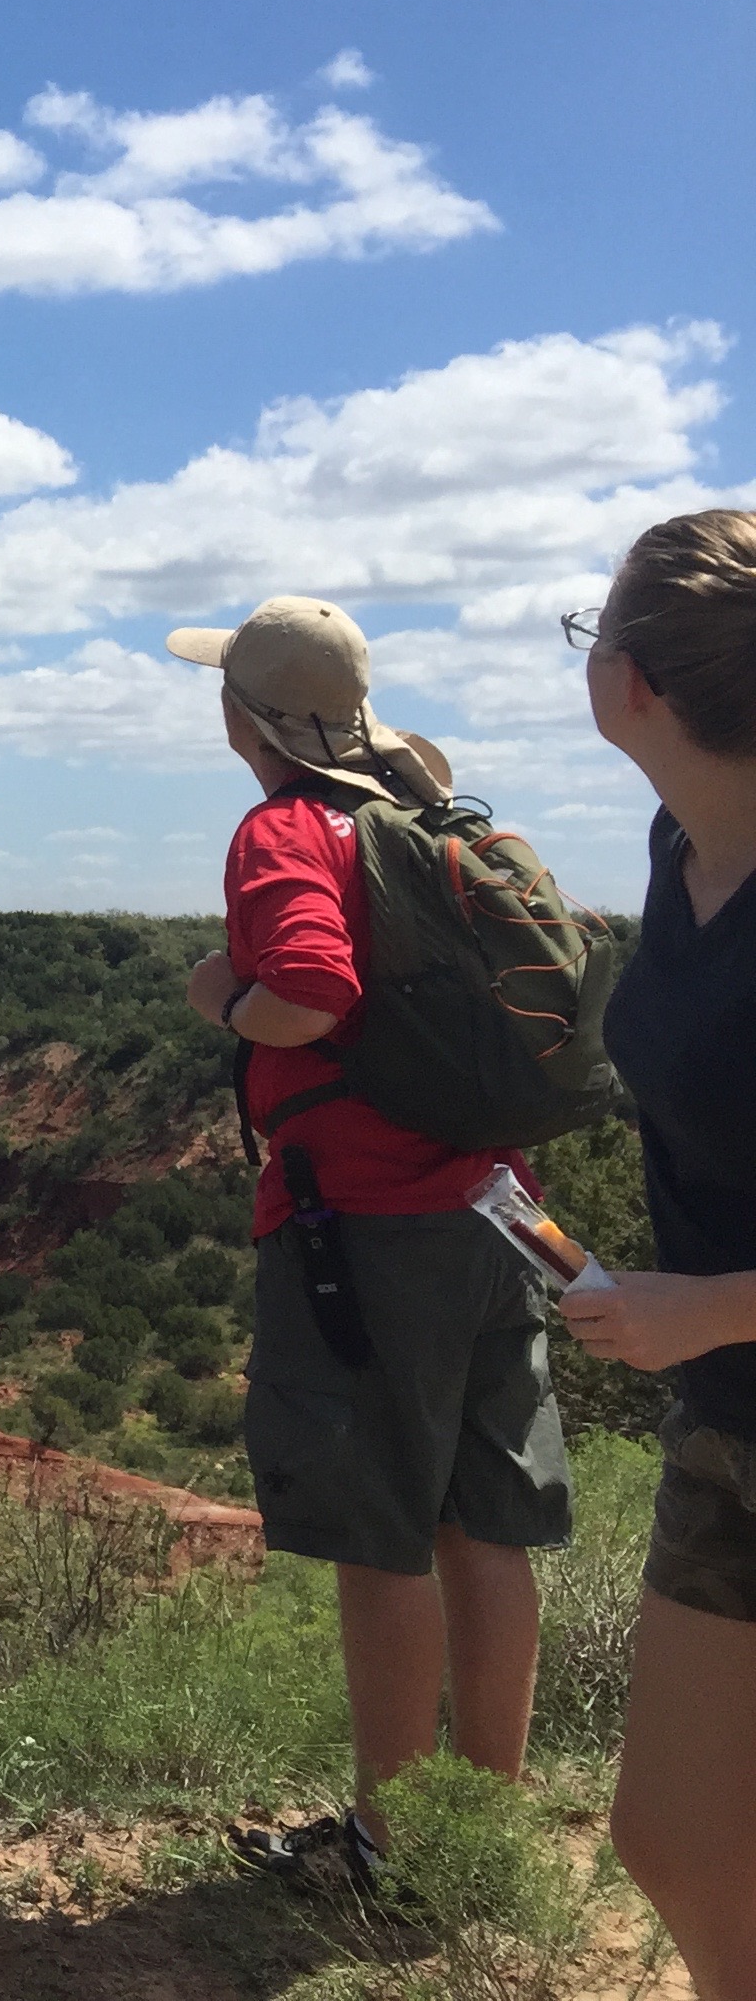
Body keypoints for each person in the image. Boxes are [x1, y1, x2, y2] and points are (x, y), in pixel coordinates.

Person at [168, 595, 568, 1887]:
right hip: (499, 1215)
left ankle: (389, 1853)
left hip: (369, 1232)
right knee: (484, 1522)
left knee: (384, 1533)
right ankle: (479, 1838)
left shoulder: (288, 825)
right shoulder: (421, 816)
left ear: (247, 718)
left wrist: (222, 995)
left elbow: (312, 992)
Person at [562, 509, 756, 1997]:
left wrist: (713, 1305)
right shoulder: (680, 840)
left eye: (589, 634)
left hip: (730, 1355)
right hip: (731, 1417)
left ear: (632, 682)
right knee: (678, 1838)